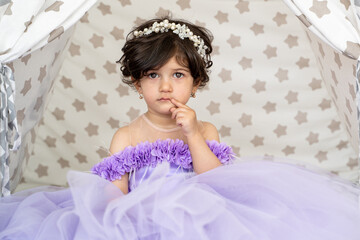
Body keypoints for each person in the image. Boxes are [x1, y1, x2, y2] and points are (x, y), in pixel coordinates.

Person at [1, 17, 360, 240]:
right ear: (137, 84)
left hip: (201, 218)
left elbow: (217, 180)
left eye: (178, 75)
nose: (166, 87)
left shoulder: (205, 129)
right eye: (153, 76)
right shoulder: (126, 135)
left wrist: (192, 134)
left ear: (196, 84)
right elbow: (113, 196)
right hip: (137, 221)